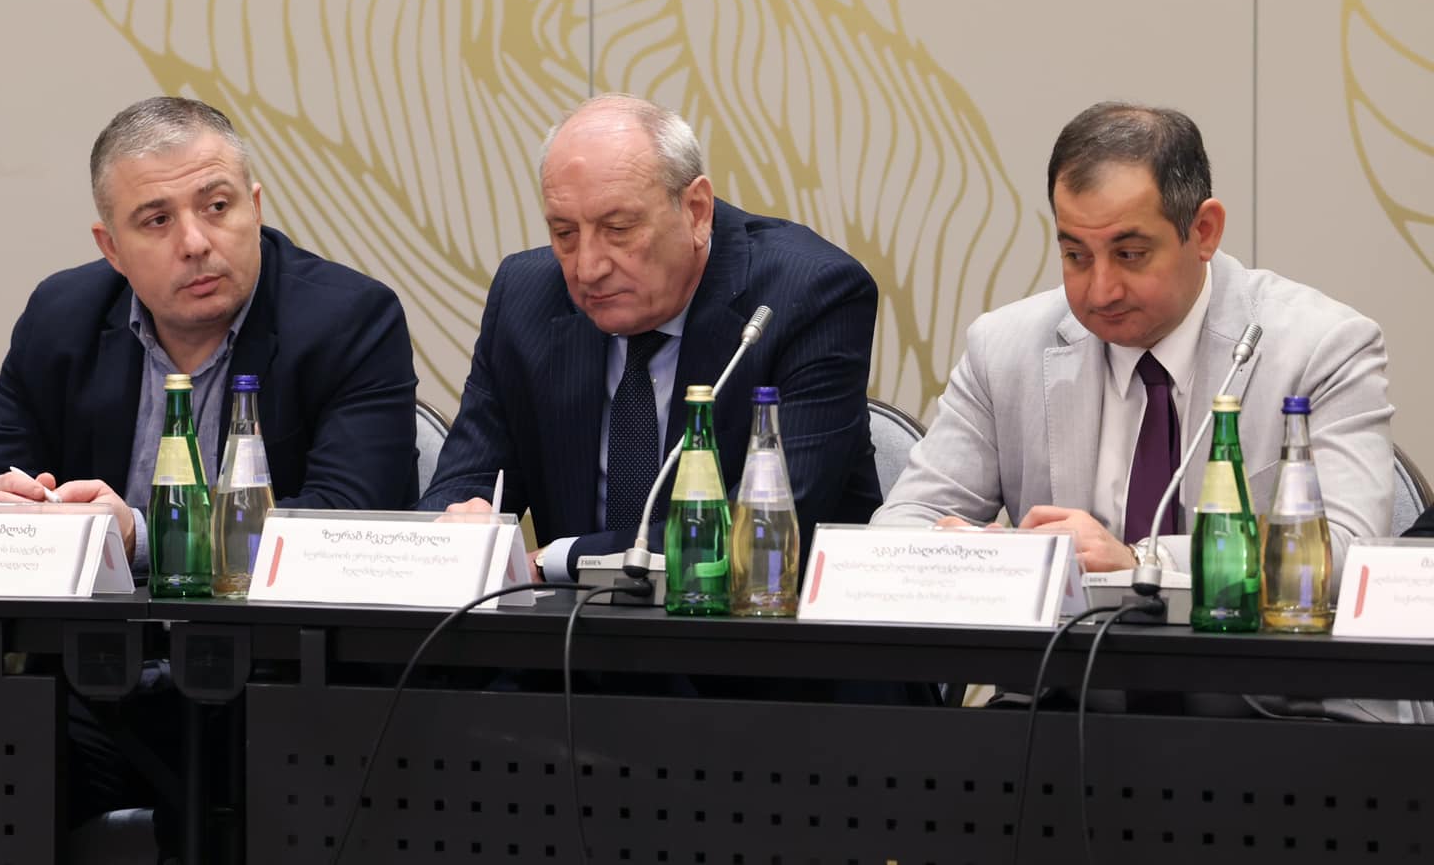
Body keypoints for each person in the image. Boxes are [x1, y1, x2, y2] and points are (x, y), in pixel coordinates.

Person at [874, 102, 1393, 577]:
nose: (1101, 291)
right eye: (1076, 256)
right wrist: (976, 552)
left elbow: (1348, 551)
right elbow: (902, 525)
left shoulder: (1322, 347)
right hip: (1064, 653)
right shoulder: (1004, 349)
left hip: (1242, 652)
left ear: (1204, 231)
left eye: (1130, 255)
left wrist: (1143, 561)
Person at [419, 94, 882, 578]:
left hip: (759, 616)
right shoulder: (526, 296)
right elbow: (466, 482)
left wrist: (558, 560)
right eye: (564, 233)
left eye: (618, 228)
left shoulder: (806, 296)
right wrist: (459, 526)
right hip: (567, 625)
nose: (587, 268)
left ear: (696, 211)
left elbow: (765, 527)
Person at [0, 95, 419, 536]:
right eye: (158, 220)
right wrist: (4, 512)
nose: (195, 243)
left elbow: (345, 521)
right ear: (112, 248)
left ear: (255, 209)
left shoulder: (350, 320)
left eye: (217, 206)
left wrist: (138, 535)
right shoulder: (62, 317)